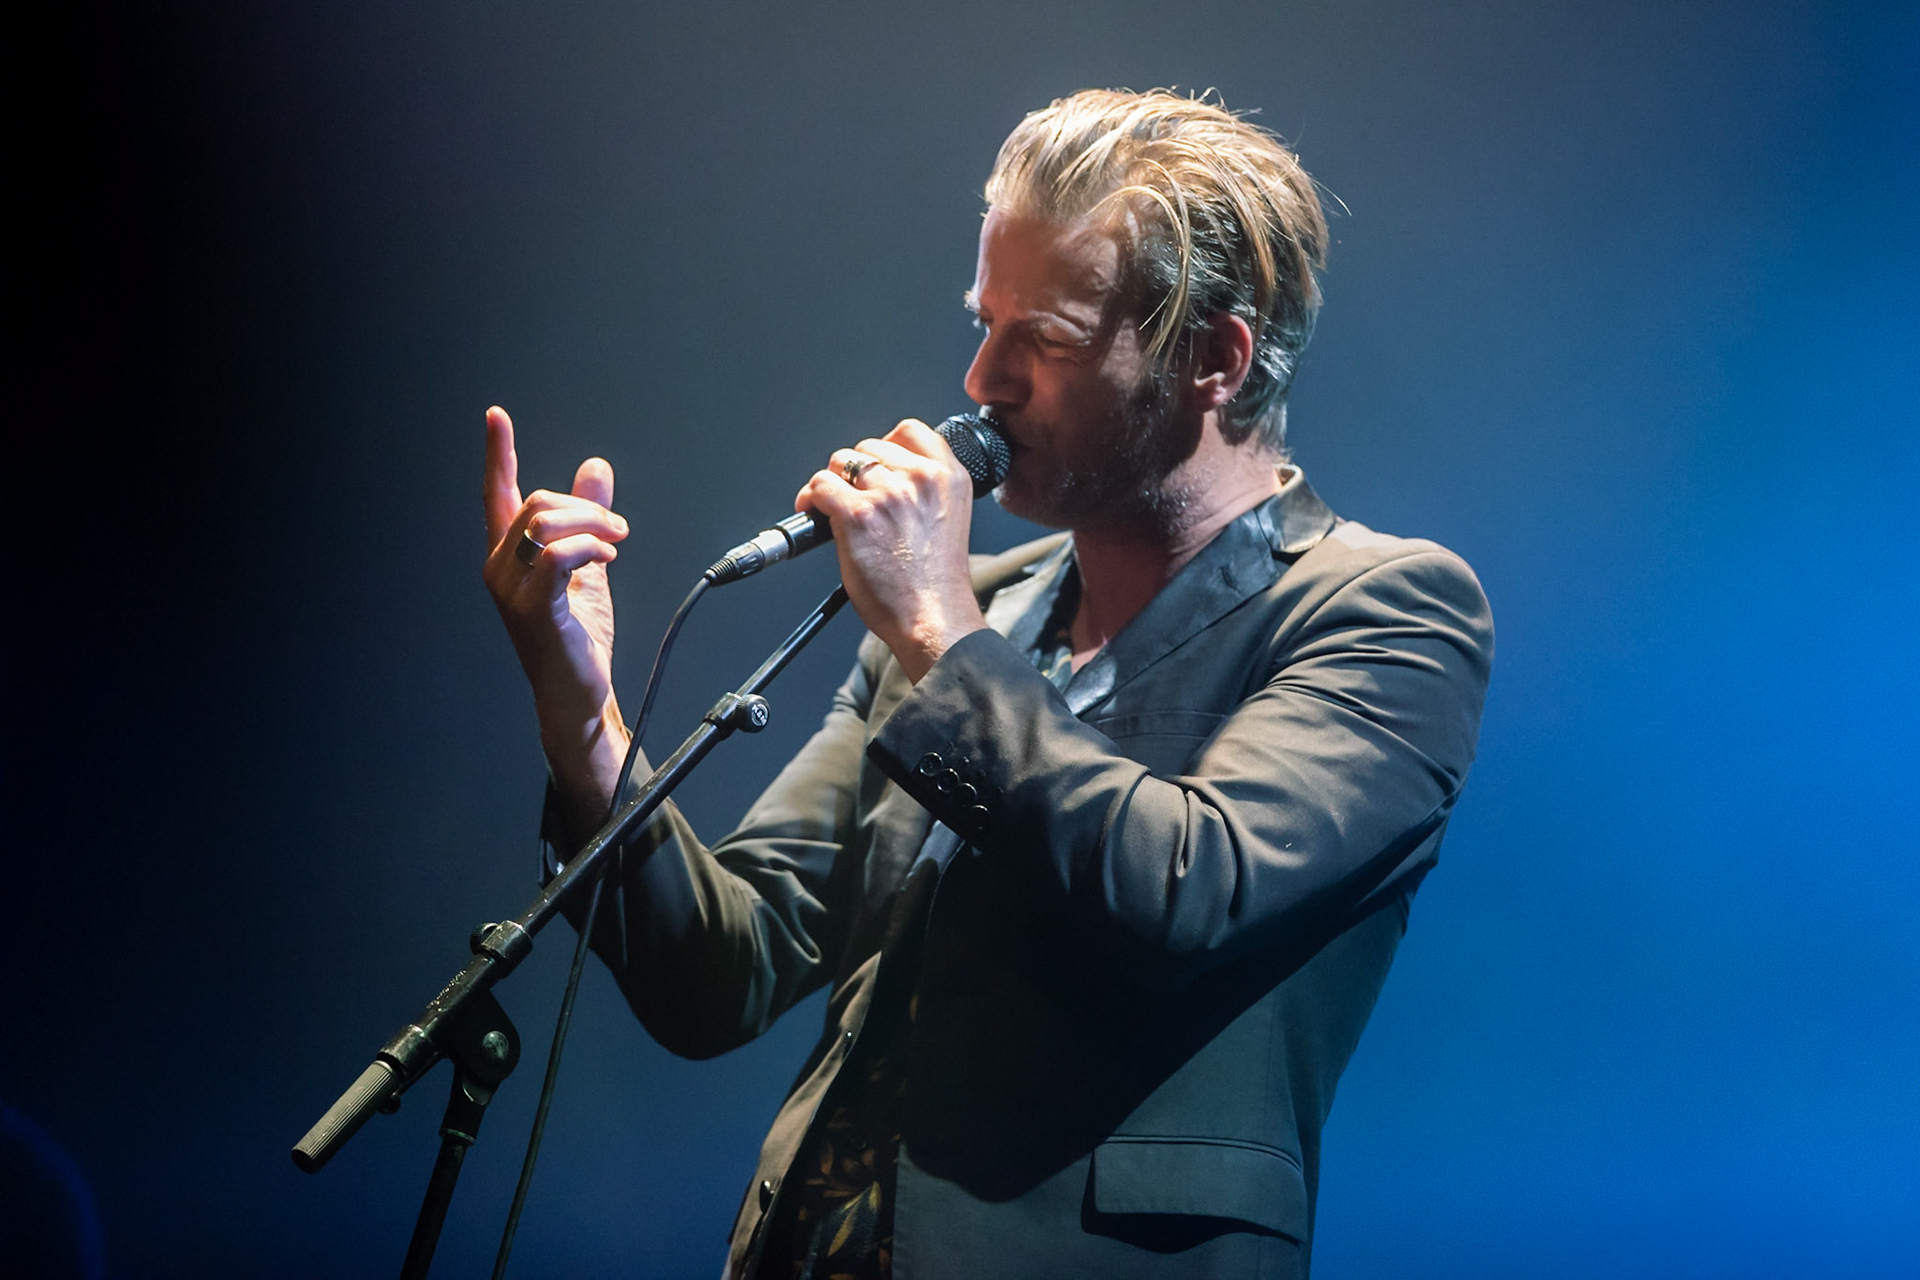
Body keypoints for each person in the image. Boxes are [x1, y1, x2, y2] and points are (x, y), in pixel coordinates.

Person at [481, 89, 1492, 1279]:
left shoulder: (1381, 609)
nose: (981, 379)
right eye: (983, 323)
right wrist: (579, 709)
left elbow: (1184, 889)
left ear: (1213, 358)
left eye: (1044, 339)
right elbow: (726, 969)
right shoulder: (982, 610)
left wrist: (935, 624)